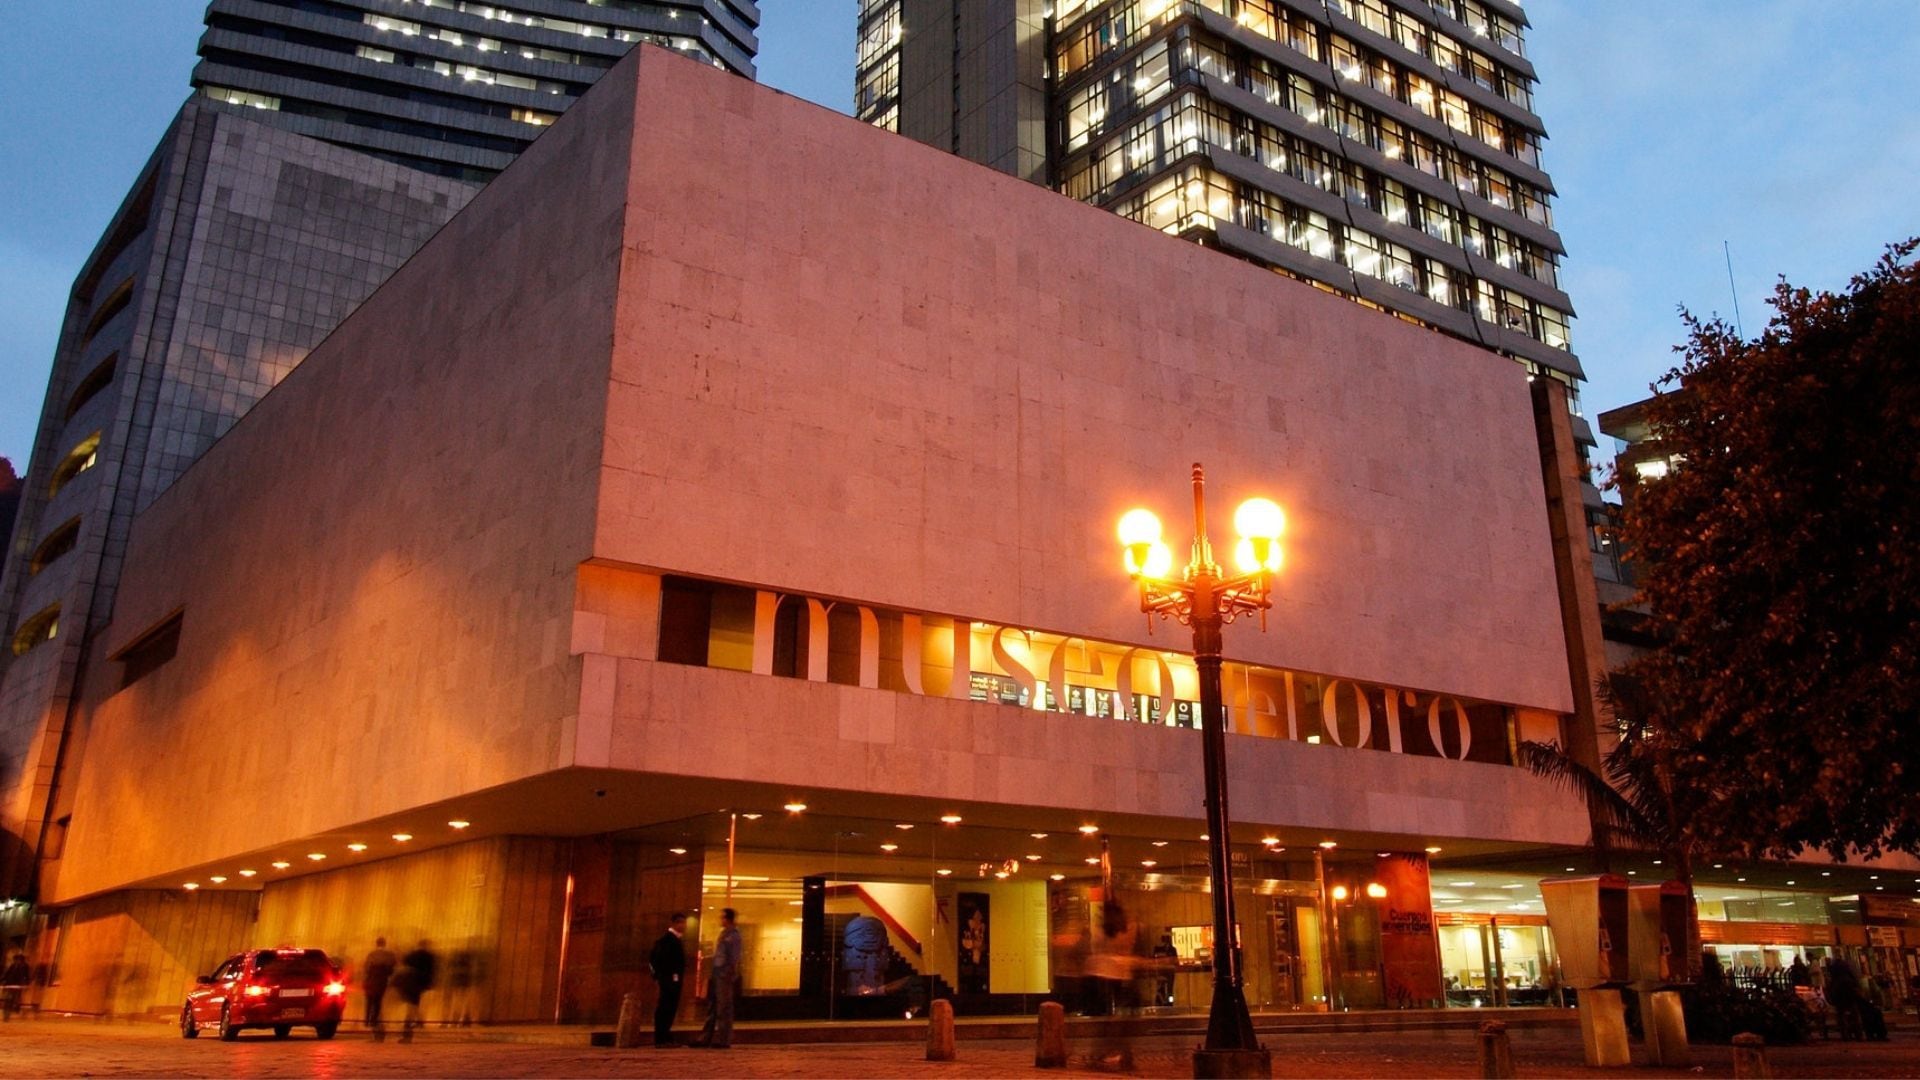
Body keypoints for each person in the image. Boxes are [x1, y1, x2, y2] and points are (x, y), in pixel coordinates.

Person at [1085, 901, 1139, 1071]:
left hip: (1107, 977)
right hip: (1115, 978)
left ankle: (1111, 1054)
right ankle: (1120, 1054)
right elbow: (1124, 952)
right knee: (1117, 1021)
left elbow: (1100, 951)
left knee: (1114, 1021)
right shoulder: (1126, 930)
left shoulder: (1105, 932)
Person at [693, 908, 741, 1049]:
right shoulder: (724, 934)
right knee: (713, 1007)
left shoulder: (734, 936)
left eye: (722, 918)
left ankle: (723, 1039)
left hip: (724, 975)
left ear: (728, 919)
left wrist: (728, 973)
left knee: (723, 1008)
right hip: (717, 973)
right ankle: (705, 1038)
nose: (720, 920)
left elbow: (733, 957)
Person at [648, 913, 689, 1047]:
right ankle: (661, 1038)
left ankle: (665, 1036)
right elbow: (658, 960)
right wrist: (663, 977)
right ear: (673, 924)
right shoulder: (667, 940)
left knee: (670, 1008)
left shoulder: (675, 939)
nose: (682, 925)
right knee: (665, 1007)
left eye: (684, 922)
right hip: (669, 980)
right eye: (680, 922)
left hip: (673, 979)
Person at [394, 940, 440, 1043]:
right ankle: (418, 1022)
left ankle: (410, 1029)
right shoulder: (429, 956)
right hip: (422, 983)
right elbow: (433, 970)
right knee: (415, 1005)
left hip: (411, 982)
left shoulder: (412, 955)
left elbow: (404, 963)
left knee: (412, 1006)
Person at [361, 937, 398, 1041]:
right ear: (385, 943)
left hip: (371, 980)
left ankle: (369, 1022)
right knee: (378, 1002)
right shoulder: (390, 954)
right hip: (382, 981)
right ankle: (375, 1023)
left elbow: (366, 968)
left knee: (370, 1001)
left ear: (376, 944)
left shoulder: (371, 954)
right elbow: (392, 967)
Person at [1, 952, 28, 1021]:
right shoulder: (12, 966)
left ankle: (13, 1010)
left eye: (18, 959)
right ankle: (6, 1014)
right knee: (8, 999)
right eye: (16, 959)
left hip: (17, 986)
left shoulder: (23, 967)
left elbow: (25, 976)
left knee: (14, 999)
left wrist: (25, 983)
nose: (17, 961)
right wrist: (2, 980)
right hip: (9, 985)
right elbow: (7, 974)